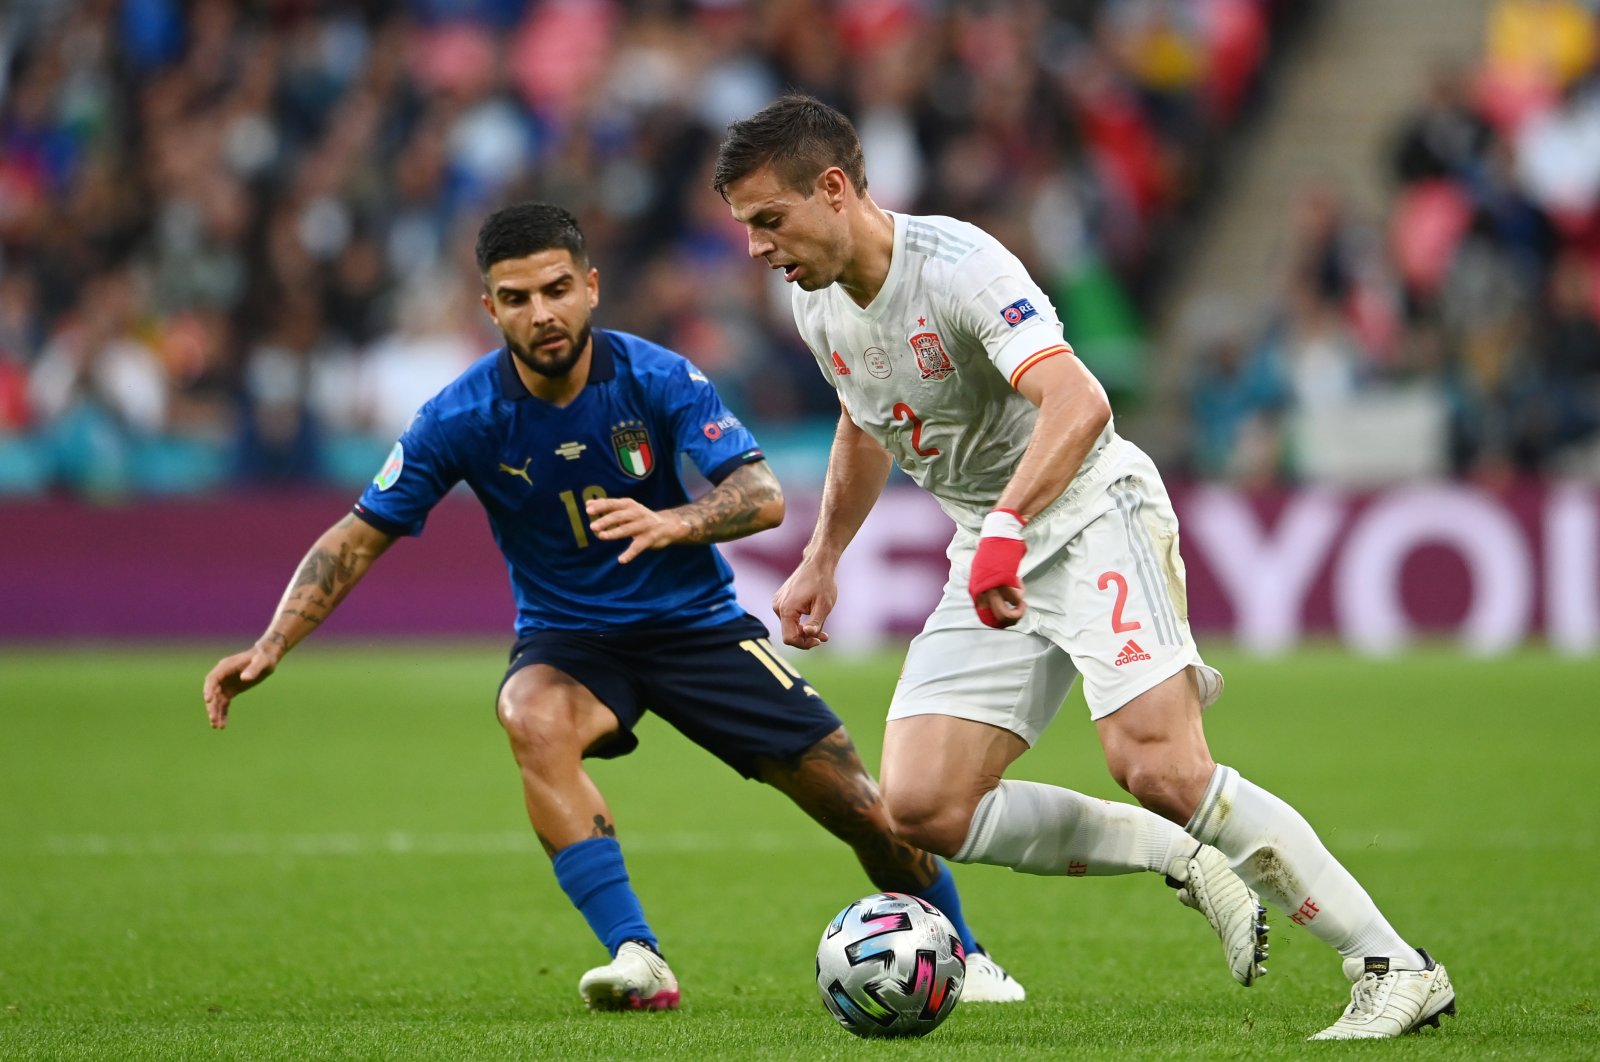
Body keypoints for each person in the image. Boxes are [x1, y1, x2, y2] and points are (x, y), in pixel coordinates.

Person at [714, 95, 1454, 1041]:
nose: (756, 249)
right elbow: (864, 413)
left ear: (832, 190)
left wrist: (1007, 528)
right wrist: (823, 556)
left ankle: (1393, 964)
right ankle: (1179, 858)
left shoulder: (961, 267)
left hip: (1088, 511)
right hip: (992, 539)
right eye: (744, 230)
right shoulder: (814, 299)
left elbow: (1078, 398)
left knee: (1160, 764)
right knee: (923, 804)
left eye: (768, 221)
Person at [203, 202, 1033, 1012]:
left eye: (557, 289)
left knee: (861, 806)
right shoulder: (460, 417)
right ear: (490, 307)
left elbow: (763, 495)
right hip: (571, 642)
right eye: (519, 299)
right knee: (527, 714)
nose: (543, 314)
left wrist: (674, 520)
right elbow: (357, 535)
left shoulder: (657, 377)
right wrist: (274, 641)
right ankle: (637, 955)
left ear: (591, 287)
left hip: (697, 630)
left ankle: (968, 952)